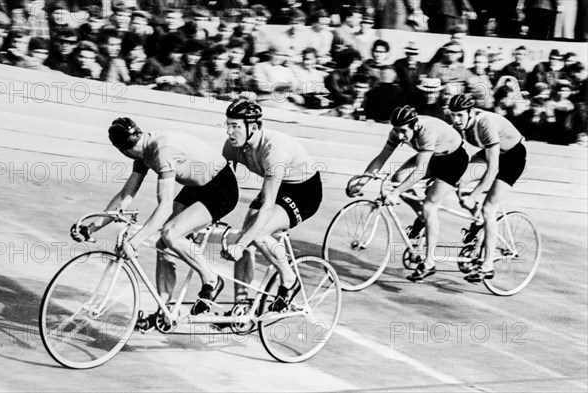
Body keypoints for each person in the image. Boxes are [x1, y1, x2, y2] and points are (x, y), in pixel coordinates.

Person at [70, 117, 239, 330]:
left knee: (170, 233)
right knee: (163, 244)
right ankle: (164, 311)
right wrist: (92, 227)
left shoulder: (161, 152)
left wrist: (135, 241)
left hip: (221, 188)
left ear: (123, 150)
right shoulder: (143, 150)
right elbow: (125, 196)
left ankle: (212, 280)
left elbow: (165, 207)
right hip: (199, 185)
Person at [221, 99, 323, 311]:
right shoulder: (232, 146)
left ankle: (289, 280)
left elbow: (267, 209)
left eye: (236, 126)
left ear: (254, 127)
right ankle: (241, 305)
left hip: (304, 192)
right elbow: (221, 188)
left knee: (256, 234)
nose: (230, 132)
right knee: (244, 234)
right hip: (277, 186)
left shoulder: (274, 151)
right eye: (228, 125)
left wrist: (239, 245)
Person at [347, 106, 469, 282]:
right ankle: (422, 217)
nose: (400, 136)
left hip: (454, 161)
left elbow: (419, 171)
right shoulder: (398, 131)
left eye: (404, 132)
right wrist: (361, 182)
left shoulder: (427, 130)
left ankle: (429, 262)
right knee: (398, 178)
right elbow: (382, 157)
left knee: (429, 206)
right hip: (433, 157)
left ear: (414, 126)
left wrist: (396, 193)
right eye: (396, 131)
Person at [449, 94, 526, 282]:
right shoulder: (459, 125)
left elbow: (493, 169)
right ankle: (478, 223)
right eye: (453, 115)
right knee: (458, 181)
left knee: (489, 208)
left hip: (512, 158)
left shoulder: (485, 123)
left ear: (471, 112)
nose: (456, 120)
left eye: (460, 115)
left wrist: (474, 195)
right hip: (491, 153)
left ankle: (487, 265)